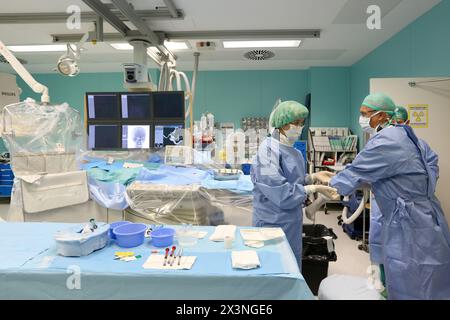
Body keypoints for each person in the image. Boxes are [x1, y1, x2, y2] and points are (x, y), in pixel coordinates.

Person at [330, 93, 450, 300]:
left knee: (411, 275)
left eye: (365, 114)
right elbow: (400, 170)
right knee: (428, 274)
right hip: (422, 215)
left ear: (383, 116)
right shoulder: (406, 137)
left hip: (408, 221)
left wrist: (327, 183)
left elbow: (356, 171)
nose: (362, 119)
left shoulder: (386, 140)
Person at [251, 100, 338, 266]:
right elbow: (280, 192)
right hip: (271, 221)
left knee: (291, 263)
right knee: (273, 266)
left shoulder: (295, 152)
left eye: (302, 123)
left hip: (292, 220)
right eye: (295, 123)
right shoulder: (267, 152)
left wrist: (312, 177)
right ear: (281, 124)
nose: (299, 128)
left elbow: (294, 180)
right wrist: (312, 188)